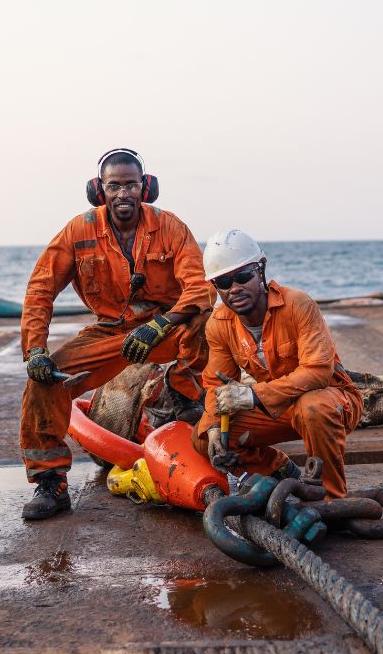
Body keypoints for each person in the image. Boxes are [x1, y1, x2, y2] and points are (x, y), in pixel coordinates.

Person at [19, 148, 212, 520]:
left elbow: (200, 287)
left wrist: (162, 324)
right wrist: (35, 351)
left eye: (131, 184)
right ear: (99, 189)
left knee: (208, 321)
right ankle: (51, 483)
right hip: (109, 332)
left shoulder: (169, 227)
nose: (123, 193)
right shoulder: (78, 231)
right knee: (43, 382)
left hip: (164, 329)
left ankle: (187, 394)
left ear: (146, 187)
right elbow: (40, 290)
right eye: (114, 186)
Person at [192, 229, 362, 499]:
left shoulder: (297, 304)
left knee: (313, 408)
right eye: (223, 281)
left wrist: (252, 395)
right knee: (203, 439)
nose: (234, 288)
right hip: (277, 406)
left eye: (243, 276)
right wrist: (214, 428)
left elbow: (318, 372)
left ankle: (332, 499)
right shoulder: (219, 325)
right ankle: (282, 473)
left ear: (261, 269)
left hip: (331, 401)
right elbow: (215, 384)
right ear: (215, 287)